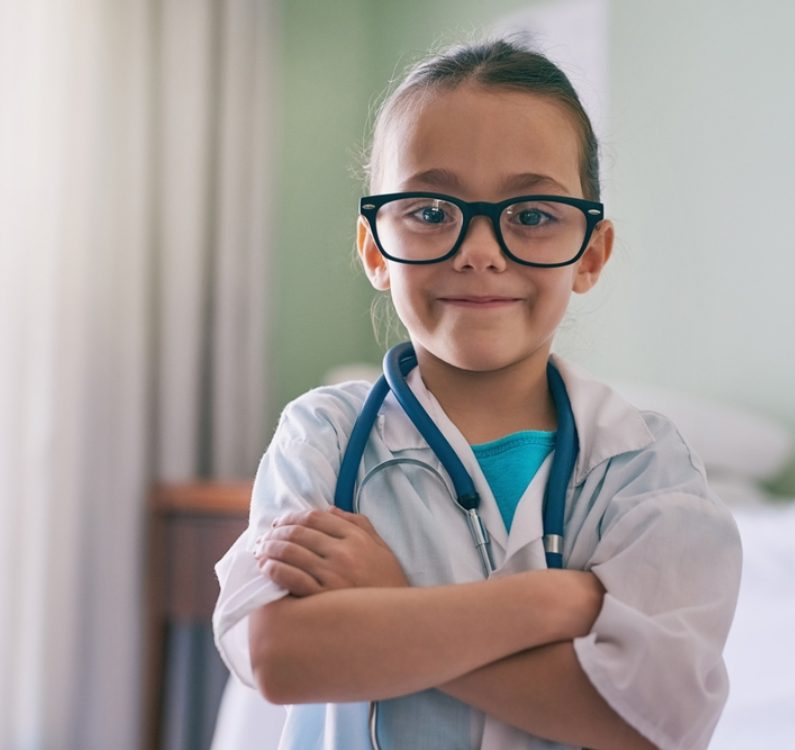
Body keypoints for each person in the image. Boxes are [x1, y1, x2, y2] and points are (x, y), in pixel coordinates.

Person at [213, 38, 742, 750]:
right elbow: (282, 657)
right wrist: (550, 603)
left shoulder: (645, 470)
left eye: (531, 215)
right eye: (430, 211)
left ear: (591, 254)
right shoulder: (325, 437)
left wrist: (393, 604)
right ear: (374, 249)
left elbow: (649, 723)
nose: (480, 250)